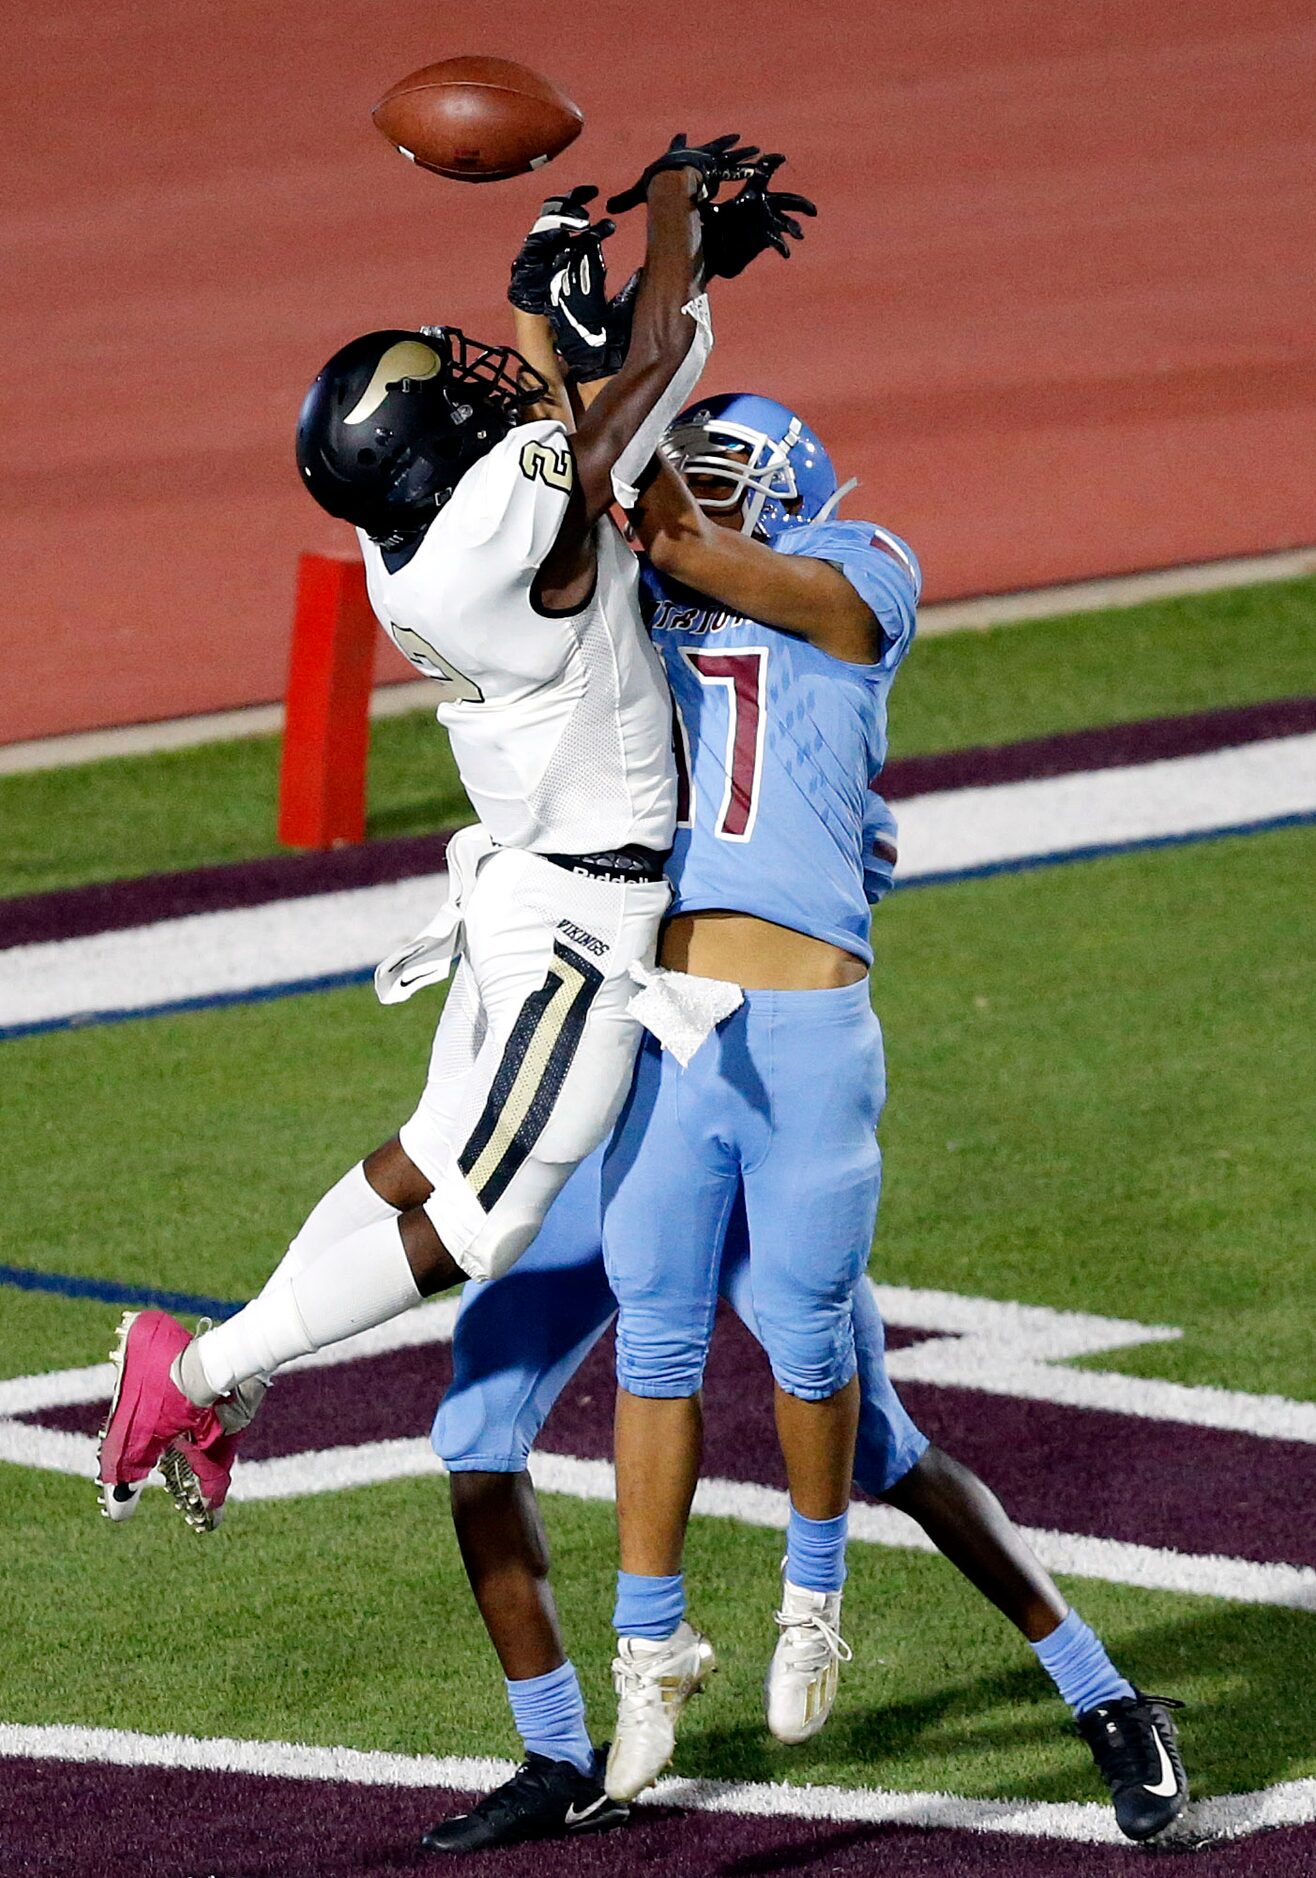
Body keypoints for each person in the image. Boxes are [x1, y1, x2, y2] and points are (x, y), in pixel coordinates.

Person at [417, 353, 1189, 1848]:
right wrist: (572, 336)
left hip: (778, 1051)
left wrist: (646, 409)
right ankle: (565, 1743)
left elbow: (731, 588)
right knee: (476, 1421)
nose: (691, 475)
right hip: (629, 1061)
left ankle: (1099, 1688)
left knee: (876, 1435)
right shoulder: (620, 612)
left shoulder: (847, 567)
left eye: (718, 459)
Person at [94, 130, 769, 1536]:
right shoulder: (490, 529)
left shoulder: (405, 535)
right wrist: (665, 236)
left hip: (527, 879)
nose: (473, 380)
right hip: (579, 917)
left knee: (424, 1150)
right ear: (425, 454)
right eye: (442, 389)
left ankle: (212, 1364)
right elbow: (633, 398)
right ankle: (205, 1369)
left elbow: (585, 421)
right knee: (484, 1219)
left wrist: (602, 294)